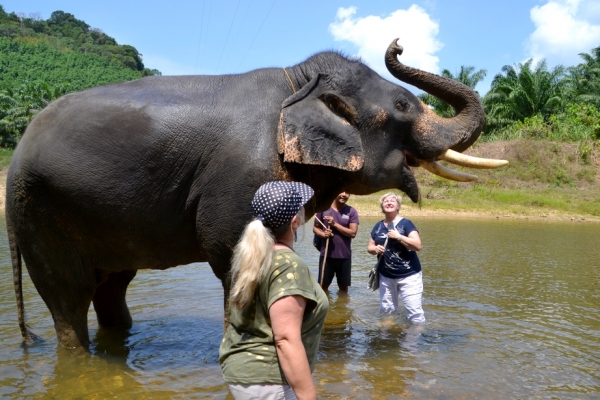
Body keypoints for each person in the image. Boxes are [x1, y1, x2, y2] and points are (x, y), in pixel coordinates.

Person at [219, 181, 328, 400]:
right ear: (294, 222)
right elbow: (285, 339)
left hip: (241, 371)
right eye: (302, 205)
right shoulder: (288, 264)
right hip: (269, 379)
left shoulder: (251, 258)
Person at [366, 192, 425, 323]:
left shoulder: (406, 223)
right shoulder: (378, 226)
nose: (389, 202)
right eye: (385, 201)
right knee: (387, 312)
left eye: (393, 200)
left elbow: (417, 245)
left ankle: (413, 341)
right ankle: (388, 339)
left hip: (409, 275)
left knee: (414, 314)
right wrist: (375, 249)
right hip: (386, 277)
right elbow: (369, 247)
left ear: (398, 206)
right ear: (382, 206)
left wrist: (399, 237)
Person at [312, 192, 359, 292]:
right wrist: (323, 234)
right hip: (326, 255)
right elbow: (316, 228)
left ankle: (343, 307)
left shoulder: (352, 211)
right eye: (341, 191)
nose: (344, 195)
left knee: (343, 289)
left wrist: (334, 224)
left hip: (344, 256)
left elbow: (353, 233)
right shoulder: (324, 209)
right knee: (322, 287)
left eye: (347, 193)